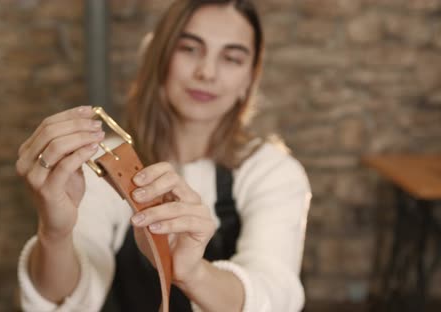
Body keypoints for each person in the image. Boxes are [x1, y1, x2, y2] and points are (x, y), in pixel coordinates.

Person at [15, 0, 311, 311]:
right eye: (189, 49)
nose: (206, 72)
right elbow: (64, 301)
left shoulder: (271, 171)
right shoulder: (104, 163)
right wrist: (55, 232)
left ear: (249, 79)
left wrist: (192, 273)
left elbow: (275, 295)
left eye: (232, 58)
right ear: (160, 57)